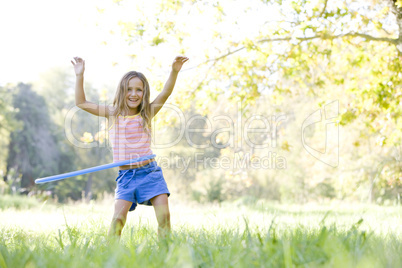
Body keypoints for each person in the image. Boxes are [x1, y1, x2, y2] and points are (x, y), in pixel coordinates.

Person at [71, 55, 189, 241]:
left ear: (144, 93)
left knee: (164, 216)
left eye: (139, 90)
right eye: (129, 89)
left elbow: (165, 93)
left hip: (150, 173)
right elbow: (81, 103)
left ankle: (166, 252)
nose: (134, 94)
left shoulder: (147, 113)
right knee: (118, 219)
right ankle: (111, 254)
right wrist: (79, 75)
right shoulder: (112, 113)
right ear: (122, 91)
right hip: (126, 176)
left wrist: (174, 71)